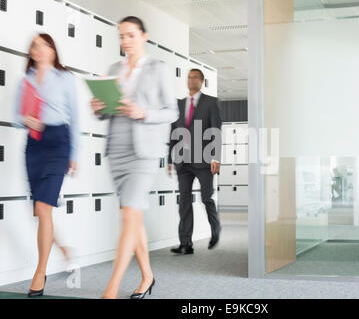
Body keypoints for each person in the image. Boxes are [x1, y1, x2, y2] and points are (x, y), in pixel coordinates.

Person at [90, 16, 178, 299]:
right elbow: (106, 112)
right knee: (133, 216)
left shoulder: (158, 69)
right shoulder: (114, 68)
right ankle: (148, 276)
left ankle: (112, 288)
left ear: (144, 36)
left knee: (129, 214)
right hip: (117, 150)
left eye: (130, 35)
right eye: (121, 36)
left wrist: (144, 113)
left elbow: (172, 111)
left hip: (143, 153)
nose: (125, 41)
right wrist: (98, 107)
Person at [13, 33, 79, 298]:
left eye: (43, 45)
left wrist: (74, 153)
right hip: (33, 145)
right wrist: (26, 120)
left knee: (43, 207)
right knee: (41, 213)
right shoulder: (25, 81)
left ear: (53, 50)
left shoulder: (66, 79)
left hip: (57, 143)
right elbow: (16, 117)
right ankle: (64, 250)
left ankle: (39, 273)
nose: (37, 49)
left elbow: (75, 118)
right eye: (33, 46)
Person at [168, 68, 222, 255]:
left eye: (195, 77)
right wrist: (170, 159)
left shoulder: (211, 102)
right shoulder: (179, 104)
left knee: (206, 198)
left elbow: (216, 129)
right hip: (183, 162)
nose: (191, 80)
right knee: (184, 201)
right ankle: (185, 244)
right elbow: (174, 133)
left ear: (202, 81)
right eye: (189, 77)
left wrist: (216, 157)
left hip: (204, 161)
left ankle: (215, 229)